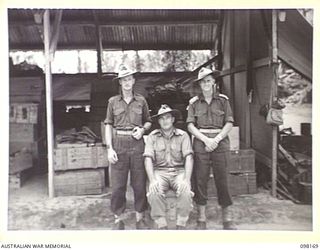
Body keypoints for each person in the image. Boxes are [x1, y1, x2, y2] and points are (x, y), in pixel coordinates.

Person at [186, 67, 237, 230]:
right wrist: (206, 140)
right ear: (200, 85)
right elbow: (190, 125)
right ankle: (201, 216)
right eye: (203, 81)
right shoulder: (194, 103)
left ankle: (227, 216)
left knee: (223, 179)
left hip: (220, 142)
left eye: (209, 80)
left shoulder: (223, 100)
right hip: (201, 142)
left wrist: (216, 139)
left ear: (214, 82)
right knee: (200, 179)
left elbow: (229, 122)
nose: (206, 84)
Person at [104, 64, 152, 230]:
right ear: (120, 82)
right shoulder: (112, 102)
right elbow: (108, 125)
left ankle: (140, 218)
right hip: (119, 144)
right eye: (123, 79)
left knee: (139, 183)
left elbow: (148, 121)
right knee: (118, 185)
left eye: (129, 79)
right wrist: (109, 148)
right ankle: (118, 219)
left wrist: (142, 129)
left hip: (137, 144)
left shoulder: (141, 100)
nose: (126, 82)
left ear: (133, 81)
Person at [144, 104, 194, 230]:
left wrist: (187, 180)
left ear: (173, 119)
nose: (165, 121)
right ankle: (162, 225)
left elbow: (189, 157)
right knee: (154, 191)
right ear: (158, 121)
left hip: (179, 172)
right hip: (160, 172)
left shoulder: (183, 136)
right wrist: (152, 180)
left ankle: (181, 223)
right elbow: (147, 158)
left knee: (185, 190)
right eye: (162, 118)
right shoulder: (152, 136)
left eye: (167, 117)